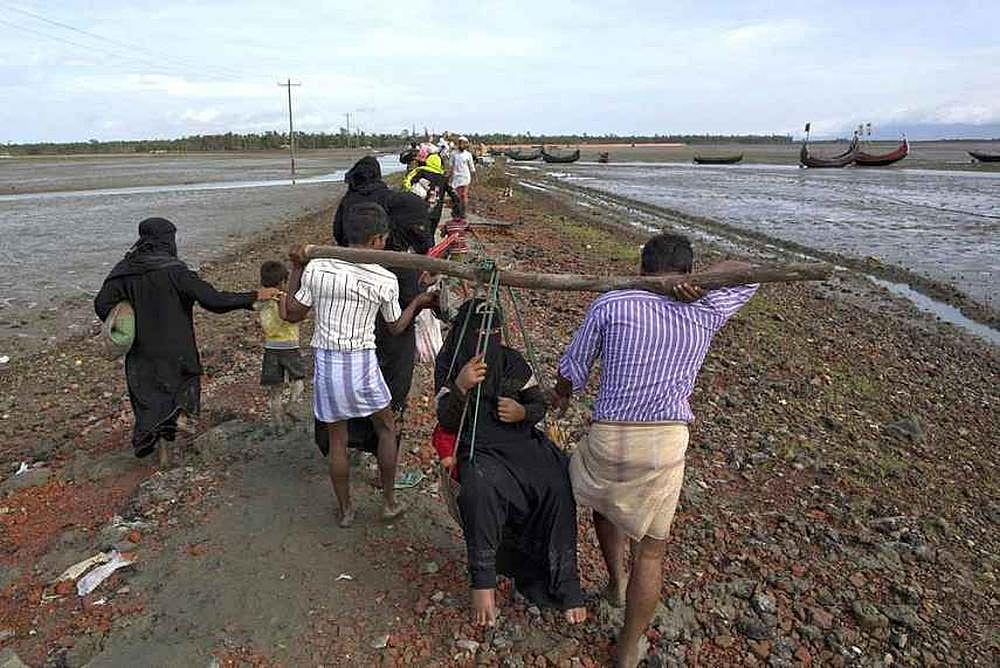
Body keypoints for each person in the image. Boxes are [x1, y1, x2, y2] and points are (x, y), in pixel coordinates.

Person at [551, 233, 758, 668]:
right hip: (664, 445)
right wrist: (704, 282)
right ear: (688, 271)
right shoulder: (706, 308)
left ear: (641, 268)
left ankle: (616, 584)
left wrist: (562, 395)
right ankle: (628, 648)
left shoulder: (612, 303)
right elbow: (749, 272)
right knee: (651, 549)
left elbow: (572, 370)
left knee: (604, 506)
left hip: (611, 438)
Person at [435, 299, 587, 628]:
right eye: (479, 334)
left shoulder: (511, 361)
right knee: (479, 488)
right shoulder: (451, 364)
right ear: (464, 333)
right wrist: (460, 386)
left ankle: (565, 581)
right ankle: (483, 582)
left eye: (494, 333)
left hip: (522, 444)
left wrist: (522, 412)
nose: (487, 341)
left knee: (558, 482)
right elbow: (445, 421)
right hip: (479, 447)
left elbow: (538, 405)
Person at [282, 203, 436, 526]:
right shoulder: (384, 278)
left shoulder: (319, 266)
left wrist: (296, 268)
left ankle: (346, 511)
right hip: (362, 364)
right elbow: (395, 327)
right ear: (377, 240)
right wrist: (419, 303)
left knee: (337, 439)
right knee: (387, 428)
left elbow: (291, 314)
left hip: (327, 365)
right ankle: (389, 502)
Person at [94, 217, 278, 463]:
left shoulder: (125, 271)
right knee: (178, 392)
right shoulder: (175, 271)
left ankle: (162, 450)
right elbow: (213, 300)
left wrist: (128, 314)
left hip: (142, 351)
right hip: (177, 349)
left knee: (150, 398)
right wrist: (254, 296)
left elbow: (102, 304)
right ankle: (176, 427)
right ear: (167, 240)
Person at [315, 191, 434, 461]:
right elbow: (399, 321)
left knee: (340, 424)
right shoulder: (399, 266)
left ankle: (347, 453)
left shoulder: (334, 262)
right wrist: (421, 298)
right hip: (388, 350)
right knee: (386, 418)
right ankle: (382, 473)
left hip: (345, 349)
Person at [257, 260, 305, 427]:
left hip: (270, 346)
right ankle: (291, 406)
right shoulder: (282, 296)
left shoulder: (261, 300)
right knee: (298, 380)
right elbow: (285, 316)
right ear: (282, 281)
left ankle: (277, 424)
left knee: (275, 389)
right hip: (289, 346)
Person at [402, 153, 463, 234]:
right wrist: (457, 212)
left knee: (416, 235)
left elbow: (407, 185)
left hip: (420, 211)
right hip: (435, 213)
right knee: (430, 235)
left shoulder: (420, 172)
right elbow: (454, 195)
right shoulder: (443, 178)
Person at [450, 136, 476, 210]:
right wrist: (449, 177)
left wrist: (474, 178)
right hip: (456, 177)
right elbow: (451, 166)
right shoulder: (453, 154)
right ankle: (457, 210)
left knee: (463, 195)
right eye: (460, 143)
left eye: (464, 144)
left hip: (465, 177)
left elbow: (472, 167)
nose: (462, 145)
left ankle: (463, 211)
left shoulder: (468, 155)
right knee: (456, 195)